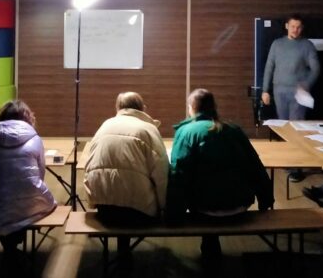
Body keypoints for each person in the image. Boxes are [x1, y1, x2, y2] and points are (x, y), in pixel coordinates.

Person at [166, 89, 274, 256]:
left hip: (203, 208)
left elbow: (179, 174)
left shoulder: (186, 132)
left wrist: (173, 213)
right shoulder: (233, 130)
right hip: (239, 205)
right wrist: (265, 200)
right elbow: (255, 166)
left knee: (206, 198)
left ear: (191, 108)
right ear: (214, 107)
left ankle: (209, 251)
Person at [83, 92, 169, 272]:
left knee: (121, 194)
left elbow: (88, 166)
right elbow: (162, 173)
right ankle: (125, 258)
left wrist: (93, 200)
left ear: (118, 108)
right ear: (142, 108)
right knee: (133, 195)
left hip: (105, 210)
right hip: (139, 213)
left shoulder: (105, 125)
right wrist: (165, 207)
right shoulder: (148, 129)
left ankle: (122, 257)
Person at [0, 100, 56, 268]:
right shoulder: (35, 139)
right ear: (28, 117)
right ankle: (14, 245)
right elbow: (40, 174)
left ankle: (10, 247)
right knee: (29, 205)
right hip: (30, 203)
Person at [261, 14, 320, 182]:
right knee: (284, 128)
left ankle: (297, 169)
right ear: (287, 26)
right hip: (278, 90)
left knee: (297, 129)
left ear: (302, 28)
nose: (296, 30)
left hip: (298, 93)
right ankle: (289, 161)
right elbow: (269, 67)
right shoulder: (277, 44)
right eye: (293, 26)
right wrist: (265, 90)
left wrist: (305, 85)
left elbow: (316, 69)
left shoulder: (307, 45)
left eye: (299, 27)